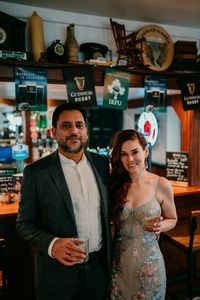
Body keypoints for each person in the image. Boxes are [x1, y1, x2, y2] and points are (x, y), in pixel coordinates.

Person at [16, 103, 111, 300]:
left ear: (85, 131)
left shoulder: (102, 164)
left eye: (79, 125)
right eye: (66, 126)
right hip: (57, 274)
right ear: (54, 132)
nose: (74, 131)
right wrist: (53, 244)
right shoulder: (36, 172)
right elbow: (24, 223)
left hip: (98, 269)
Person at [109, 129, 177, 300]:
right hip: (119, 268)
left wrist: (161, 225)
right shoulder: (115, 186)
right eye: (124, 154)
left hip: (150, 268)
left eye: (134, 152)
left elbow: (173, 219)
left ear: (145, 152)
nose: (130, 159)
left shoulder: (161, 184)